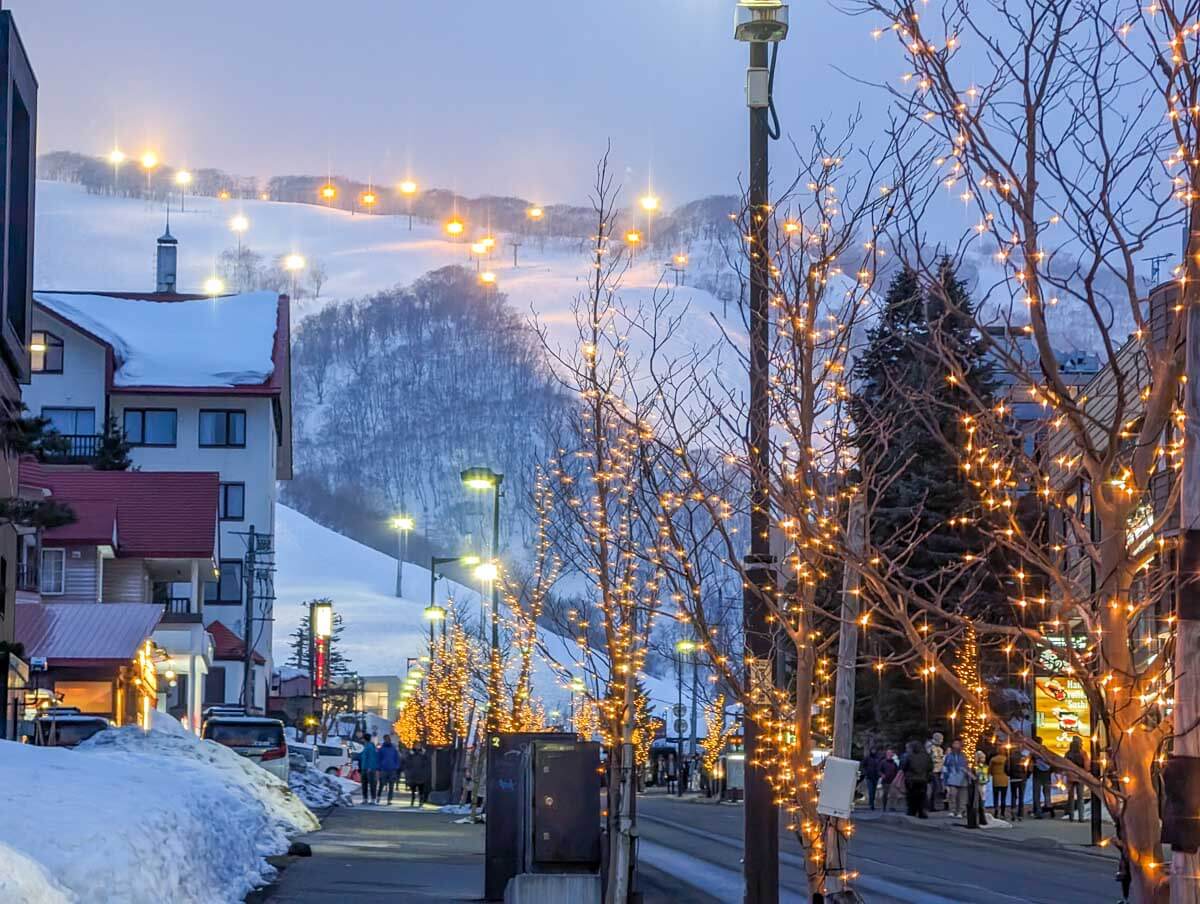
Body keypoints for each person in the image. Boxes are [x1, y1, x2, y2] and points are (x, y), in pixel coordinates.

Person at [901, 739, 932, 819]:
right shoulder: (926, 756)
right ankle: (921, 811)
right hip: (923, 779)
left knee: (911, 796)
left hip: (911, 779)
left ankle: (912, 811)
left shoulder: (910, 756)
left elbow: (904, 767)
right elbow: (930, 767)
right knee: (922, 796)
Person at [943, 738, 970, 817]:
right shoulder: (949, 756)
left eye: (958, 744)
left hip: (963, 777)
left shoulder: (964, 756)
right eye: (955, 743)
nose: (956, 745)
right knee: (952, 794)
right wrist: (945, 779)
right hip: (952, 777)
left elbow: (967, 767)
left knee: (962, 796)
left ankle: (960, 811)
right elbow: (945, 767)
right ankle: (952, 810)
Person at [1065, 736, 1088, 821]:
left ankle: (1071, 816)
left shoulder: (1068, 753)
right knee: (1080, 797)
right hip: (1080, 776)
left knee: (1070, 797)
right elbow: (1087, 766)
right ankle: (1081, 817)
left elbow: (1064, 763)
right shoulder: (1083, 753)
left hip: (1070, 776)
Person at [1031, 736, 1055, 819]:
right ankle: (1050, 809)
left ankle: (1038, 812)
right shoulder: (1046, 750)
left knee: (1036, 794)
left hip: (1037, 773)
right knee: (1047, 793)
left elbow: (1030, 762)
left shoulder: (1033, 751)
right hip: (1047, 774)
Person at [1007, 745, 1029, 821]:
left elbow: (1006, 768)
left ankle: (1013, 813)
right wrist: (1026, 776)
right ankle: (1020, 815)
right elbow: (1028, 768)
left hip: (1013, 778)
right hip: (1022, 778)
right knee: (1021, 797)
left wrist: (1010, 774)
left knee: (1013, 796)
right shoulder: (1024, 757)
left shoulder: (1010, 758)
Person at [378, 734, 401, 805]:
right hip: (384, 769)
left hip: (392, 769)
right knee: (381, 784)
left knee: (391, 785)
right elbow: (379, 758)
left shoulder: (393, 749)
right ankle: (378, 797)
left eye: (388, 739)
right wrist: (379, 767)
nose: (387, 740)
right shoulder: (382, 749)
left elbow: (397, 758)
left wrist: (396, 766)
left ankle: (389, 799)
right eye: (386, 739)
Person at [926, 731, 946, 812]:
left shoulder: (940, 749)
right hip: (932, 770)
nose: (942, 741)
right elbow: (928, 758)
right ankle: (929, 805)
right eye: (941, 739)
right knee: (935, 788)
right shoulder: (930, 747)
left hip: (939, 770)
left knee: (937, 788)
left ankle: (932, 805)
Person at [988, 747, 1010, 818]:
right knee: (1003, 797)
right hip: (1004, 779)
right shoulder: (1006, 759)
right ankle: (1002, 813)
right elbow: (1008, 768)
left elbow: (990, 770)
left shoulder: (993, 759)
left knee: (996, 797)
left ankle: (996, 811)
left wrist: (992, 773)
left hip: (996, 779)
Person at [359, 734, 379, 805]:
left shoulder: (370, 747)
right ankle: (365, 799)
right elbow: (363, 757)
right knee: (364, 784)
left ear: (365, 739)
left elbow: (372, 758)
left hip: (369, 769)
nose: (362, 740)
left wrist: (370, 767)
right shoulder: (366, 746)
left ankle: (373, 799)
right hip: (364, 768)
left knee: (372, 784)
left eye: (362, 739)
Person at [879, 748, 900, 812]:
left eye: (891, 753)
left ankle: (892, 806)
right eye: (888, 753)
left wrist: (896, 778)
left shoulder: (894, 763)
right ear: (886, 754)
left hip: (893, 781)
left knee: (892, 794)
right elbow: (879, 770)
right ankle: (884, 806)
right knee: (885, 794)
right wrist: (882, 775)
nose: (889, 754)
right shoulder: (883, 762)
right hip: (885, 781)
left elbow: (897, 771)